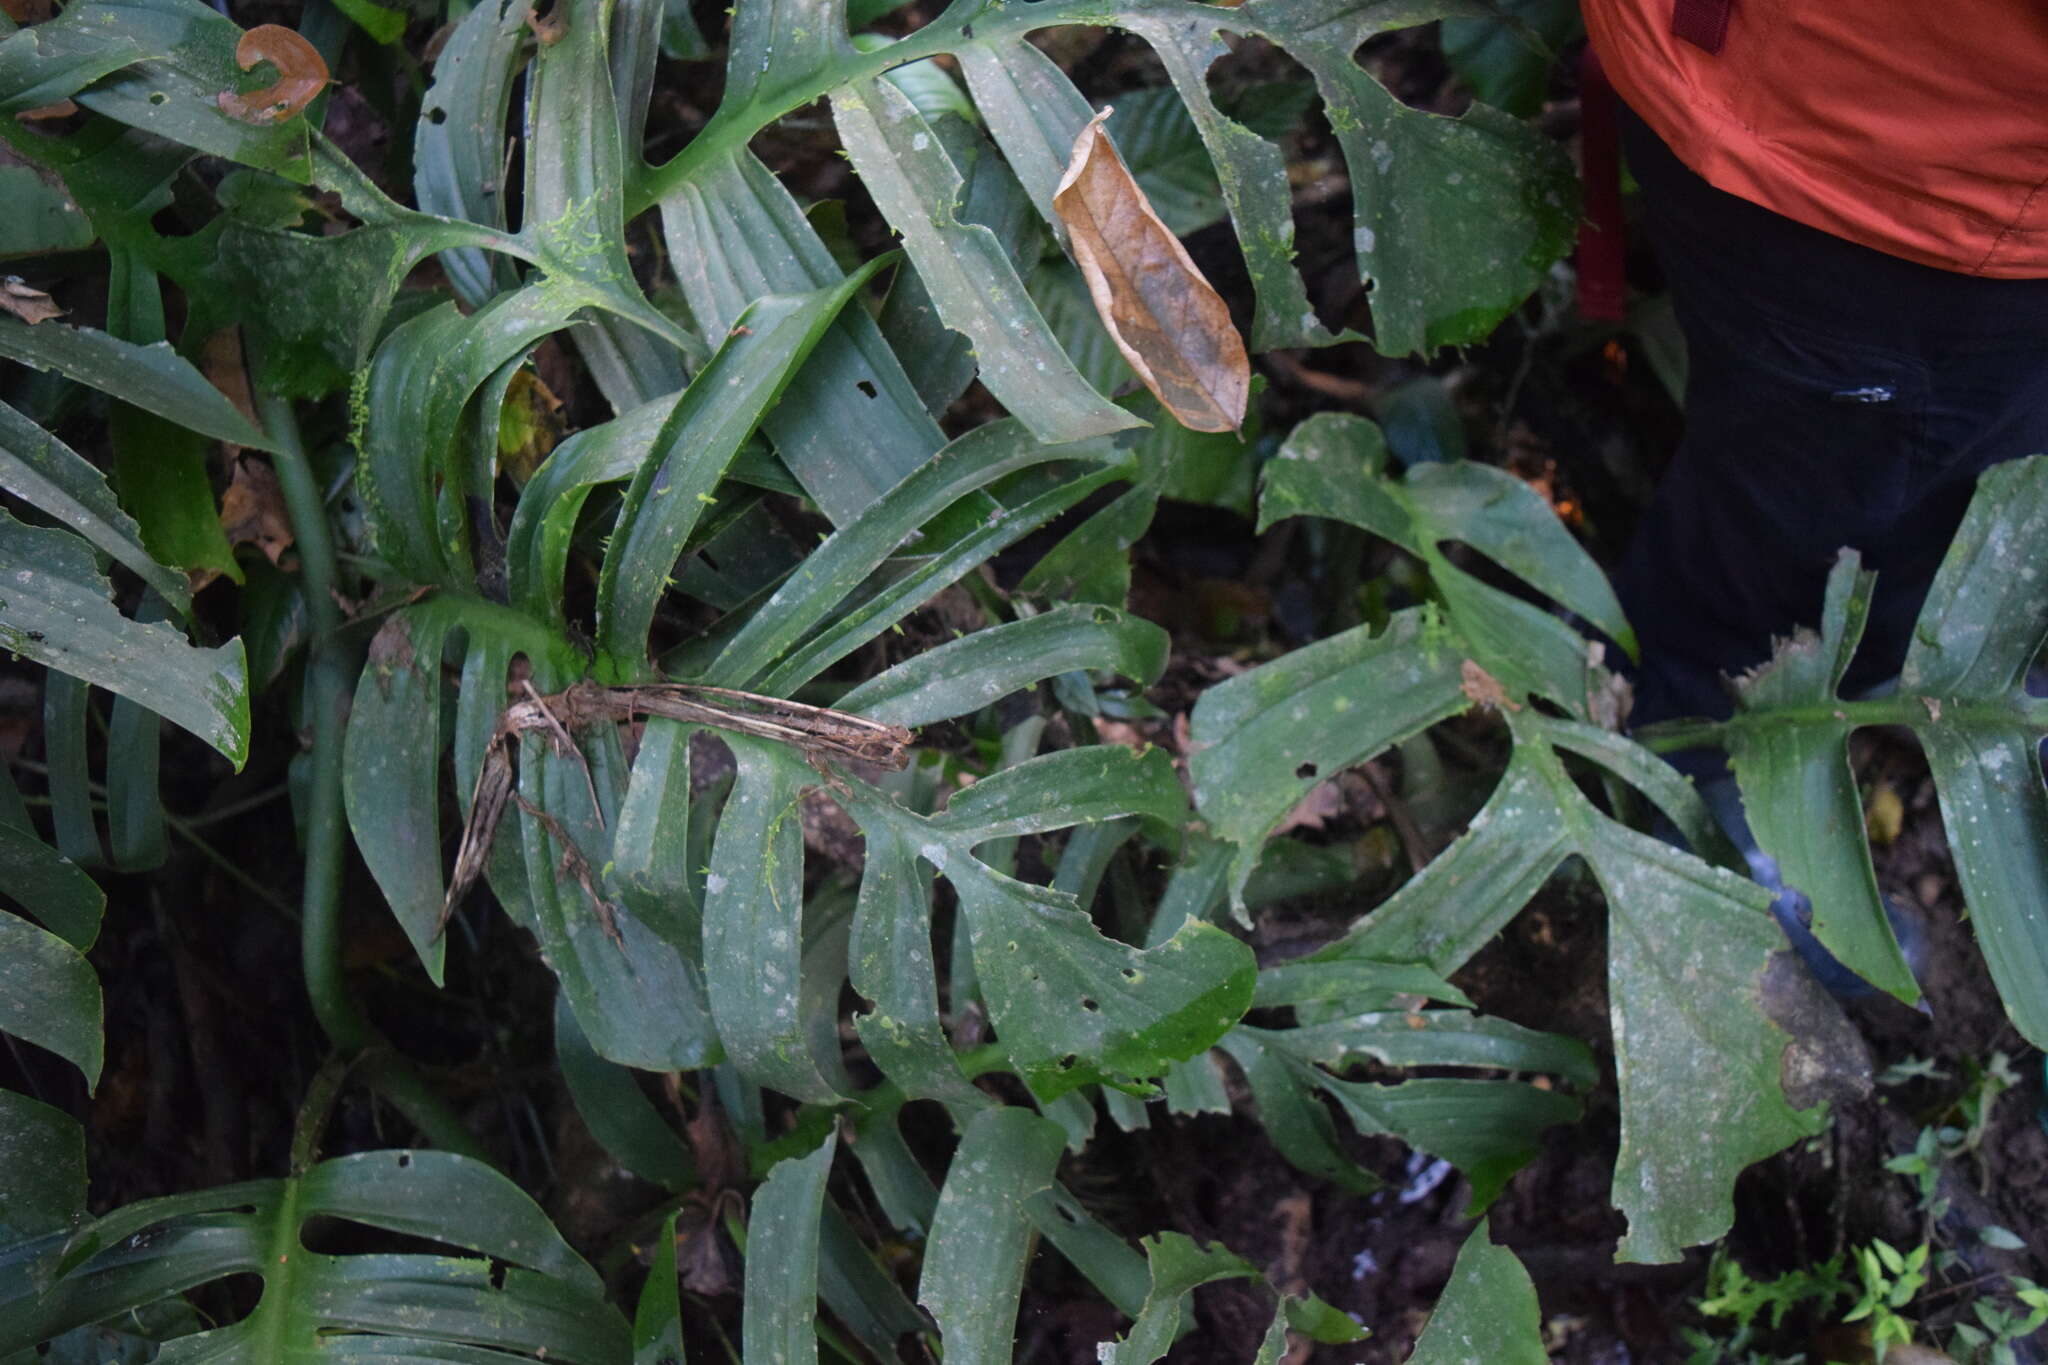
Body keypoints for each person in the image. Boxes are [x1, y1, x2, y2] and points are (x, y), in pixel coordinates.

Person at [1577, 0, 2048, 993]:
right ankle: (1691, 749)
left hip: (1889, 129)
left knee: (1934, 462)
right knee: (1821, 533)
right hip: (1877, 168)